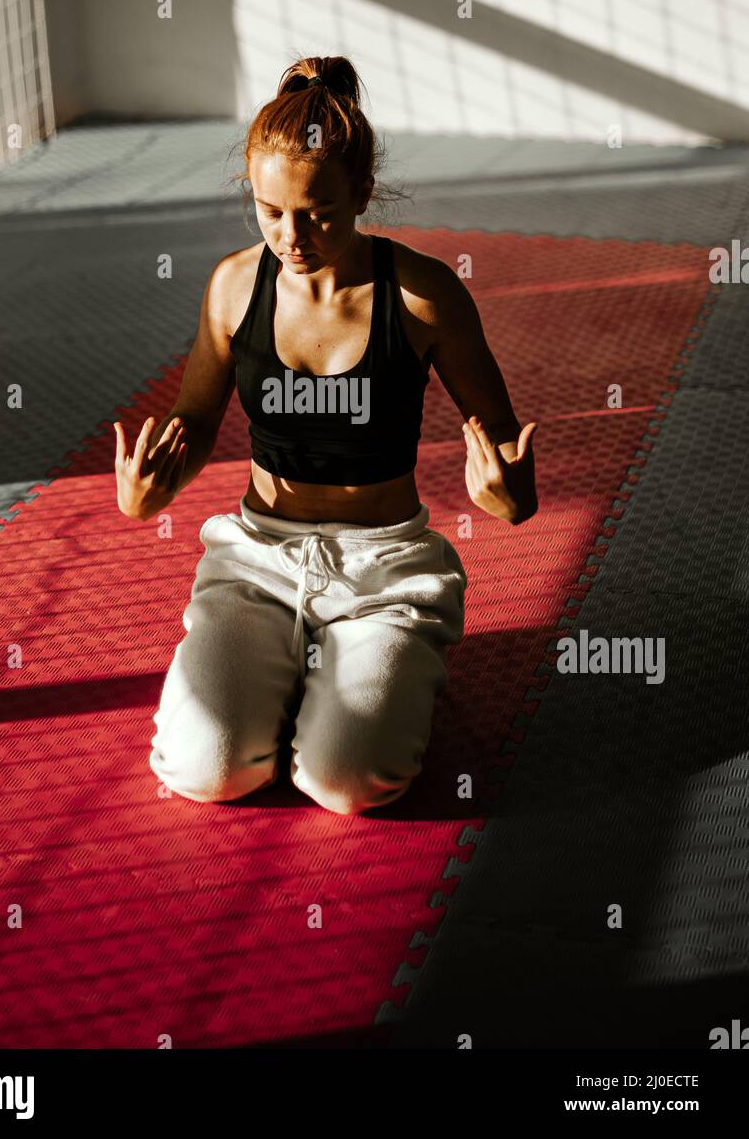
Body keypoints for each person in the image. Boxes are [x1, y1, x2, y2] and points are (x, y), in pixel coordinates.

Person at [114, 55, 537, 815]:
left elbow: (506, 455)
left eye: (319, 212)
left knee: (347, 783)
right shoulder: (233, 286)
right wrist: (150, 490)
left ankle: (393, 662)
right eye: (270, 210)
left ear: (363, 194)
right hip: (257, 559)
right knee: (203, 772)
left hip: (384, 571)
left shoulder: (421, 293)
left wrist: (507, 494)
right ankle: (286, 672)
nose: (293, 235)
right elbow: (198, 420)